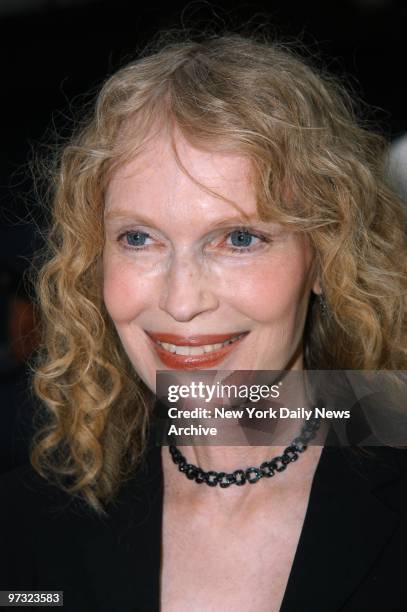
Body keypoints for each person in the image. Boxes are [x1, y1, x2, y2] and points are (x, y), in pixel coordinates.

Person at [0, 33, 406, 612]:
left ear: (324, 255)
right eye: (139, 239)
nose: (182, 301)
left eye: (239, 239)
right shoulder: (21, 529)